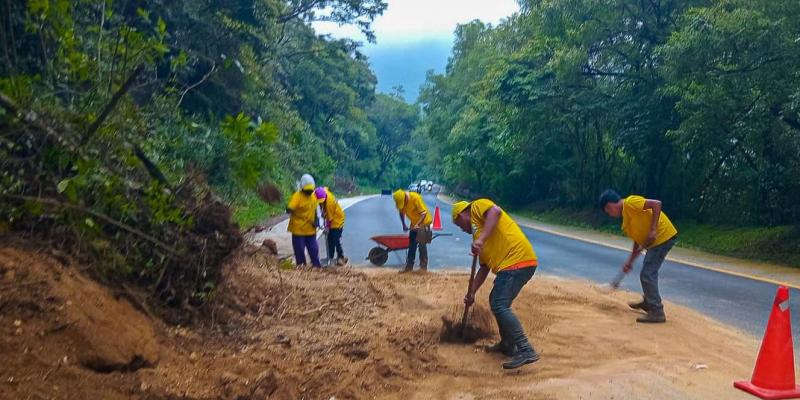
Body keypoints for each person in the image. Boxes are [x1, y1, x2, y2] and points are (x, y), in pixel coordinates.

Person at [453, 199, 540, 370]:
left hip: (517, 261)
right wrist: (472, 292)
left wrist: (481, 240)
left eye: (459, 224)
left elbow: (496, 211)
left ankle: (526, 349)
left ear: (462, 213)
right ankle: (507, 344)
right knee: (497, 300)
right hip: (513, 265)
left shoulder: (477, 206)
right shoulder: (478, 235)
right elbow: (484, 268)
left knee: (499, 304)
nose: (462, 229)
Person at [598, 189, 678, 323]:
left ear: (610, 206)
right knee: (647, 272)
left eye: (608, 212)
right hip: (655, 242)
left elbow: (656, 204)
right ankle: (648, 302)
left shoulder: (630, 202)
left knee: (647, 273)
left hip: (663, 236)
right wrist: (629, 262)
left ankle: (657, 311)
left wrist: (653, 229)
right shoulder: (627, 223)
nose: (610, 215)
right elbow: (637, 241)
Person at [392, 189, 432, 272]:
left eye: (404, 202)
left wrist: (418, 225)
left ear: (406, 197)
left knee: (421, 245)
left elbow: (423, 213)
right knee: (412, 246)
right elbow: (401, 212)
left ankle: (423, 268)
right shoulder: (401, 201)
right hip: (414, 224)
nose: (404, 205)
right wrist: (403, 224)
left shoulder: (415, 198)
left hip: (424, 222)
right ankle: (409, 267)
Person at [287, 174, 321, 268]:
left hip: (310, 229)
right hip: (298, 230)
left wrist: (317, 220)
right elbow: (290, 208)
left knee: (314, 250)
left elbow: (315, 210)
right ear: (302, 188)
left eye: (311, 189)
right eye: (307, 190)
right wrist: (290, 209)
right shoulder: (297, 196)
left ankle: (317, 268)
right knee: (300, 251)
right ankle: (302, 269)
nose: (309, 191)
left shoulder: (313, 197)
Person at [315, 186, 347, 266]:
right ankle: (330, 257)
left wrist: (326, 227)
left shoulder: (330, 202)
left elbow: (330, 218)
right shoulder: (321, 194)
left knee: (336, 240)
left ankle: (341, 257)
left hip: (337, 220)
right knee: (329, 240)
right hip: (331, 219)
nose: (321, 202)